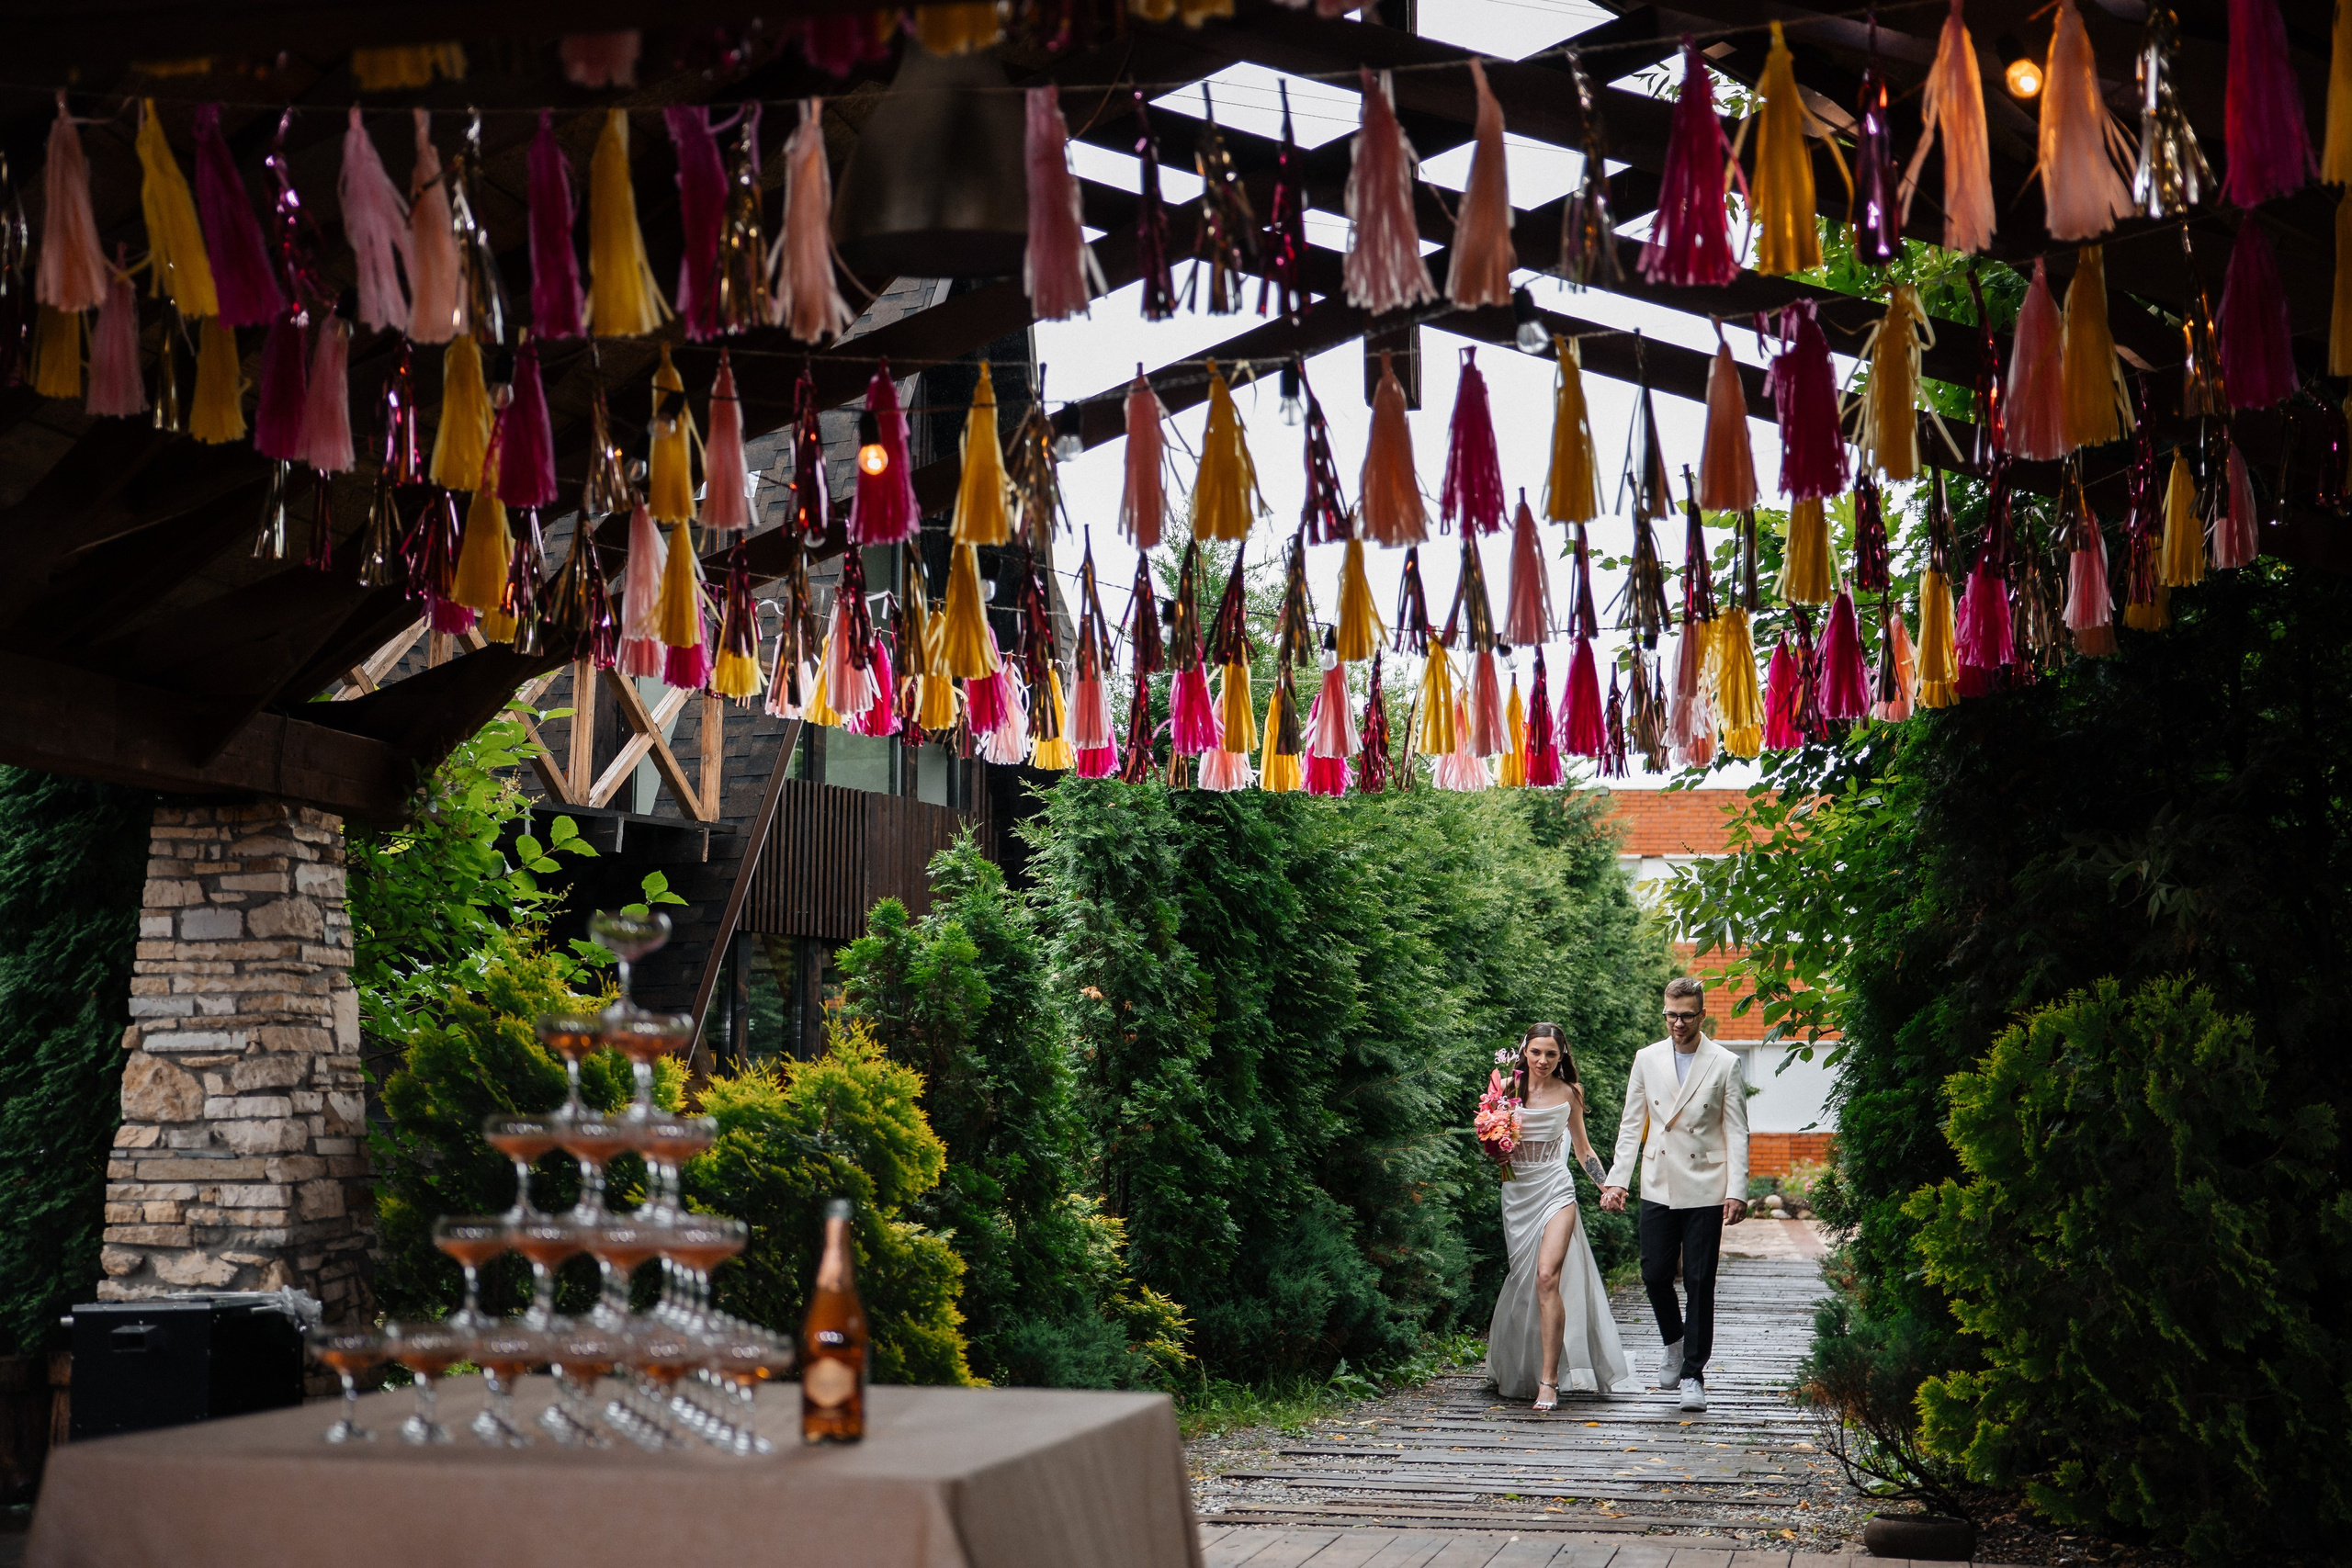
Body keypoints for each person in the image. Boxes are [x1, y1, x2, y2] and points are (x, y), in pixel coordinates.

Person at [1600, 977, 1748, 1413]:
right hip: (1658, 1178)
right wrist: (1617, 1180)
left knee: (1700, 1280)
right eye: (1670, 1015)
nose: (1677, 1023)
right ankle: (1674, 1342)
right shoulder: (1647, 1058)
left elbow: (1736, 1130)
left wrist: (1737, 1190)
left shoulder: (1725, 1062)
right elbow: (1632, 1124)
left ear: (1702, 1015)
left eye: (1686, 1015)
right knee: (1654, 1273)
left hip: (1706, 1181)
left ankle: (1693, 1375)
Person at [1485, 1023, 1635, 1411]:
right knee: (1524, 1283)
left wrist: (1607, 1187)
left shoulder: (1570, 1093)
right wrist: (1497, 1152)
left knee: (1546, 1277)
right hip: (1517, 1193)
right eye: (1536, 1052)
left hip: (1556, 1189)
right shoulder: (1506, 1090)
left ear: (1561, 1056)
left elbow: (1583, 1150)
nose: (1543, 1060)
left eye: (1551, 1054)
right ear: (1525, 1051)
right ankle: (1518, 1364)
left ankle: (1549, 1380)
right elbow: (1493, 1142)